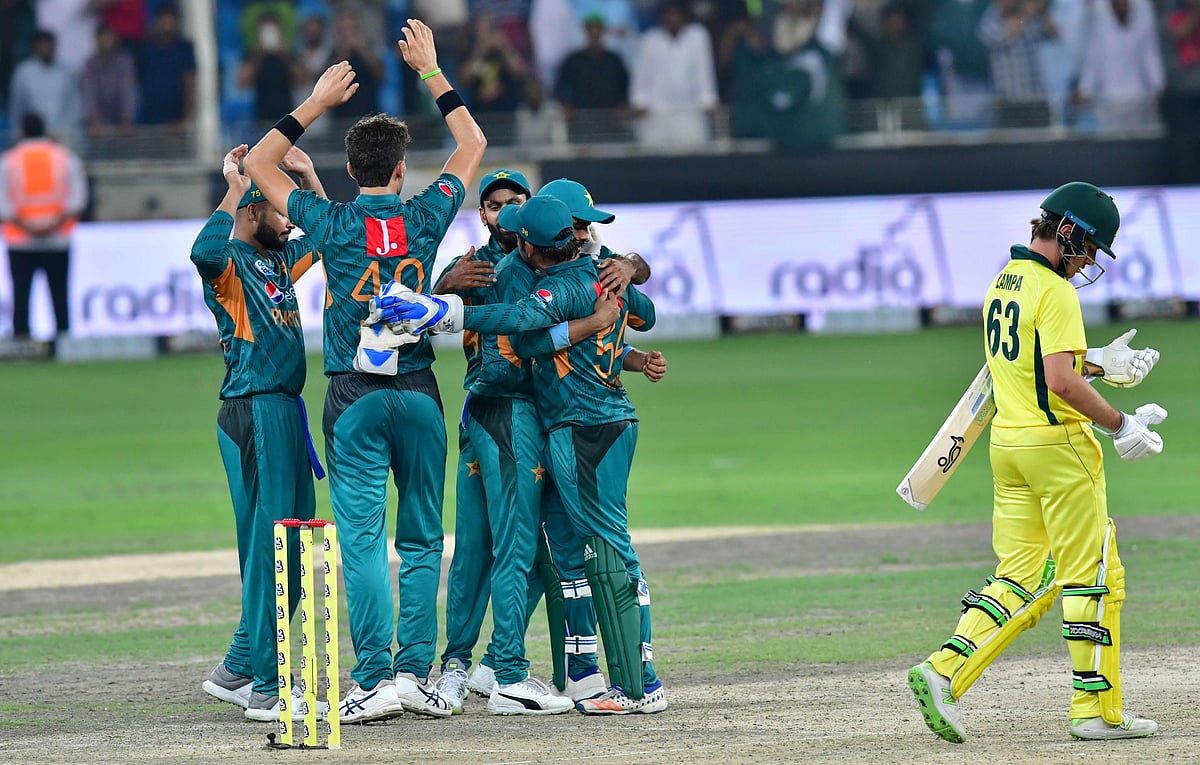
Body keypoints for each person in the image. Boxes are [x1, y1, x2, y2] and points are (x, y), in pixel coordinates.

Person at [243, 19, 486, 724]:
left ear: (351, 171)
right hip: (419, 393)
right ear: (401, 170)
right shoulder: (426, 217)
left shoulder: (332, 223)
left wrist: (314, 103)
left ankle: (375, 677)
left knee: (361, 541)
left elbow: (260, 166)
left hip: (354, 397)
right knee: (418, 538)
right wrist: (431, 71)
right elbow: (472, 144)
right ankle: (416, 672)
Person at [377, 194, 670, 715]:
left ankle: (565, 672)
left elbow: (582, 326)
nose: (586, 231)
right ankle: (503, 669)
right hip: (519, 415)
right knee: (516, 547)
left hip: (555, 421)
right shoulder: (486, 266)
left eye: (515, 204)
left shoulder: (576, 270)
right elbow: (550, 326)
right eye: (495, 204)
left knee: (563, 550)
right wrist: (440, 300)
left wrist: (629, 266)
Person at [907, 181, 1165, 743]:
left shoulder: (1005, 281)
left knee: (1022, 574)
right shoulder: (1056, 290)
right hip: (1060, 448)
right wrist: (1122, 423)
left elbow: (1028, 368)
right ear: (1067, 230)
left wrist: (1097, 361)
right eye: (1090, 246)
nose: (1090, 261)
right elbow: (1058, 380)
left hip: (1009, 447)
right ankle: (1094, 711)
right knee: (1094, 577)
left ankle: (943, 671)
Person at [193, 144, 330, 724]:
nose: (288, 219)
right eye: (277, 210)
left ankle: (241, 665)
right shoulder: (228, 268)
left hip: (281, 411)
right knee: (278, 545)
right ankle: (269, 687)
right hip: (256, 411)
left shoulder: (275, 262)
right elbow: (203, 248)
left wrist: (307, 176)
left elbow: (328, 237)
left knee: (287, 544)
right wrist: (234, 184)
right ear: (251, 212)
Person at [0, 113, 86, 340]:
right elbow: (78, 200)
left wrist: (27, 226)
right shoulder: (65, 158)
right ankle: (64, 343)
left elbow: (3, 205)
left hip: (20, 241)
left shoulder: (9, 160)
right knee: (59, 296)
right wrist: (52, 225)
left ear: (22, 132)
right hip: (57, 240)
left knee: (21, 298)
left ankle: (21, 343)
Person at [7, 29, 83, 150]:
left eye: (49, 44)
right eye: (42, 44)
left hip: (62, 137)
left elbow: (75, 107)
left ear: (55, 46)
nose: (46, 48)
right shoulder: (23, 72)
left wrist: (62, 133)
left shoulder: (67, 72)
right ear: (35, 47)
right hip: (31, 137)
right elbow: (17, 108)